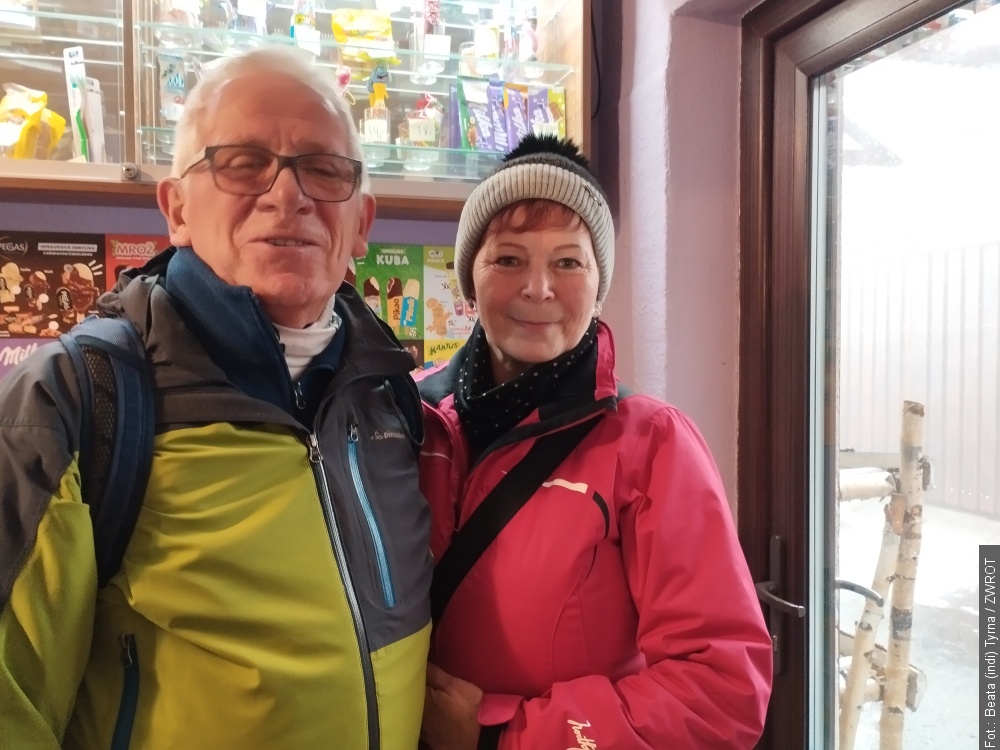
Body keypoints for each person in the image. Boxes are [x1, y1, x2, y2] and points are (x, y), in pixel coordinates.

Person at [0, 46, 433, 749]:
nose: (288, 195)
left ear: (362, 223)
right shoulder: (77, 399)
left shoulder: (392, 395)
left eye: (324, 169)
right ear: (176, 208)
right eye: (244, 162)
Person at [416, 134, 773, 750]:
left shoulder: (652, 445)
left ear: (599, 285)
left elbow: (721, 690)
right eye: (508, 259)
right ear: (468, 280)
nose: (538, 288)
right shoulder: (407, 417)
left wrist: (502, 737)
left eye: (568, 262)